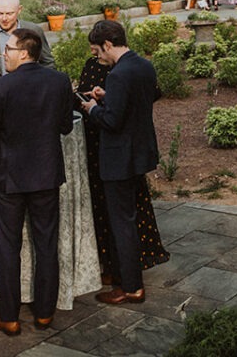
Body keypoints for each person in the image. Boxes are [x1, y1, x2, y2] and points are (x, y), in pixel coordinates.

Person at [0, 27, 77, 336]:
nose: (3, 55)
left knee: (9, 247)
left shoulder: (1, 88)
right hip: (46, 175)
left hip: (8, 178)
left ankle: (9, 316)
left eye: (7, 49)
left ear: (24, 53)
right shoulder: (59, 81)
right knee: (46, 245)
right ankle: (45, 313)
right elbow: (65, 127)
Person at [76, 29, 170, 287]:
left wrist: (93, 108)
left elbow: (111, 121)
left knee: (121, 223)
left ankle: (130, 286)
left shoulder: (117, 74)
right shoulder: (144, 66)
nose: (98, 58)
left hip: (118, 158)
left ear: (107, 44)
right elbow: (139, 101)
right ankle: (130, 280)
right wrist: (109, 98)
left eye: (97, 52)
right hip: (139, 152)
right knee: (129, 216)